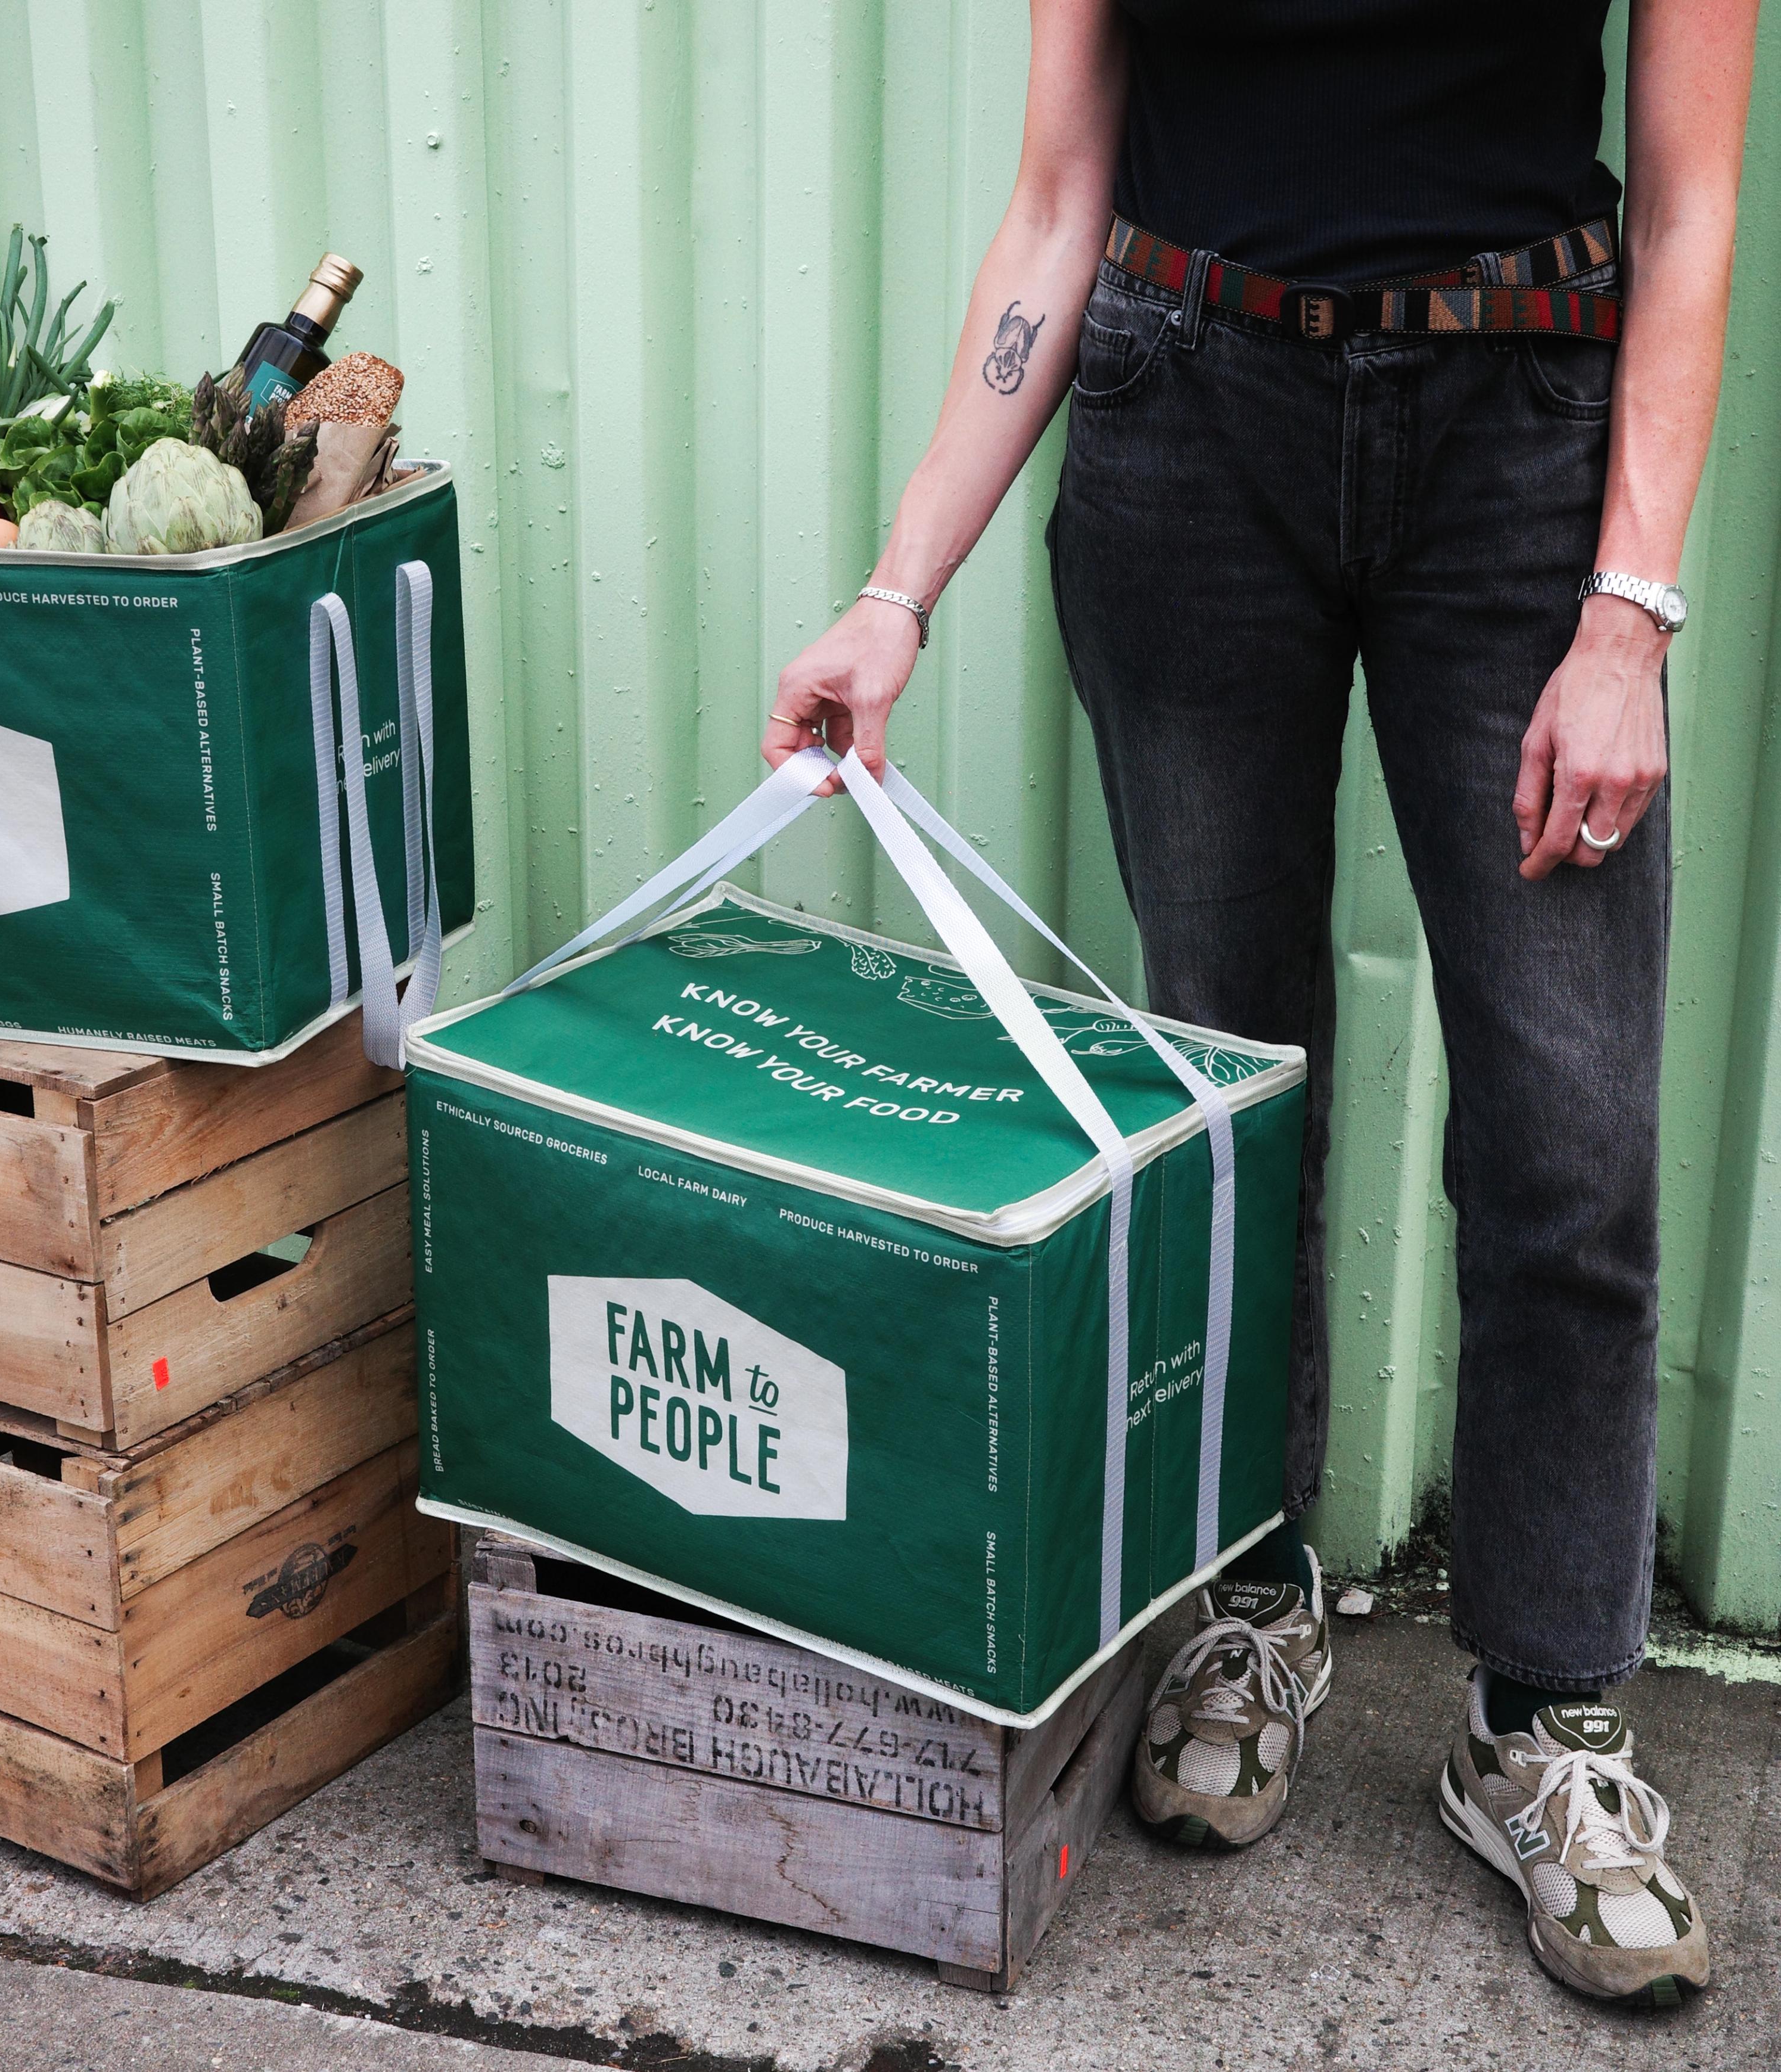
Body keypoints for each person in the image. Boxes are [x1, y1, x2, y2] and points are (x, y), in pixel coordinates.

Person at [766, 0, 1755, 2009]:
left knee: (1569, 1129)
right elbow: (1059, 204)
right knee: (1228, 1089)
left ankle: (1543, 1723)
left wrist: (1629, 614)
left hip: (1524, 447)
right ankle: (1250, 1594)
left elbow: (1693, 201)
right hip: (1188, 422)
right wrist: (896, 589)